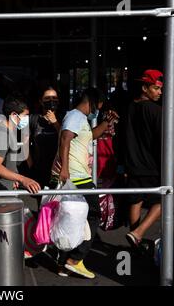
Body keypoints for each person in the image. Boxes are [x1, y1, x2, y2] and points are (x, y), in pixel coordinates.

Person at [51, 87, 119, 279]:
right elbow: (65, 138)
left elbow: (91, 136)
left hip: (77, 174)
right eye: (99, 104)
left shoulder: (81, 119)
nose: (99, 108)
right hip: (76, 175)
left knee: (71, 218)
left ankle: (63, 264)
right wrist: (64, 168)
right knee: (94, 214)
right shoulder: (75, 116)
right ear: (91, 100)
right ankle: (75, 259)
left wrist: (107, 121)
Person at [124, 69, 174, 249]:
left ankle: (135, 241)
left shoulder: (130, 107)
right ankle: (138, 233)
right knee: (164, 200)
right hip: (152, 166)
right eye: (156, 88)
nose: (160, 92)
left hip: (133, 165)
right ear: (145, 88)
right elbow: (165, 142)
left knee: (136, 201)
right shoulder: (157, 110)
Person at [0, 96, 41, 194]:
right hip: (0, 190)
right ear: (14, 114)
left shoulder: (6, 131)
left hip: (6, 186)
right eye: (25, 115)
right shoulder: (2, 134)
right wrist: (23, 179)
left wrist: (13, 179)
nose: (27, 119)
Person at [28, 87, 61, 189]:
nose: (51, 101)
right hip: (39, 169)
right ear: (41, 101)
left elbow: (68, 139)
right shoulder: (33, 119)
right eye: (47, 98)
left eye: (54, 98)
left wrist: (55, 123)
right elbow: (25, 143)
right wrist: (31, 165)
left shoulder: (64, 117)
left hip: (58, 168)